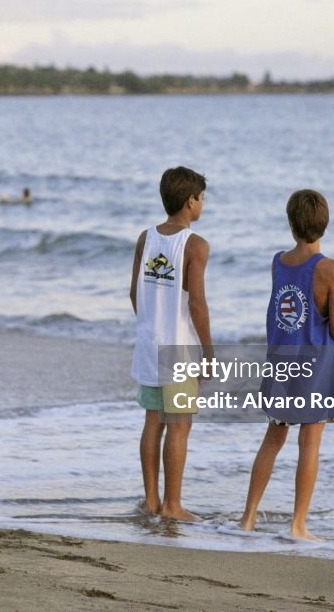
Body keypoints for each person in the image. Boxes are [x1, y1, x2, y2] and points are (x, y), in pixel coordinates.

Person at [239, 189, 334, 540]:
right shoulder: (332, 270)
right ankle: (298, 524)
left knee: (273, 439)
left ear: (291, 225)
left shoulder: (278, 262)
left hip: (280, 363)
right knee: (311, 444)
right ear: (326, 224)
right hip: (316, 368)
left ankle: (247, 518)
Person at [129, 166, 213, 521]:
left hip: (149, 343)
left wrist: (151, 322)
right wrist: (208, 351)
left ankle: (151, 500)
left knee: (153, 421)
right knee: (179, 424)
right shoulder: (195, 245)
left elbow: (134, 292)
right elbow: (196, 303)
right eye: (202, 198)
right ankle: (173, 506)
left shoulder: (145, 238)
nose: (203, 204)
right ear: (190, 201)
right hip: (178, 347)